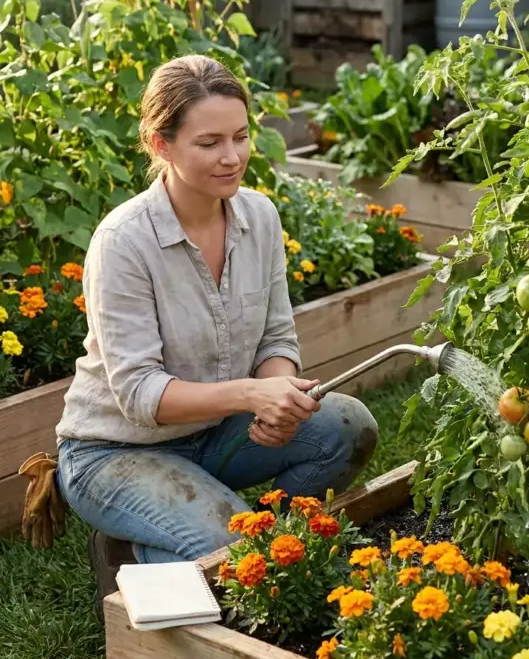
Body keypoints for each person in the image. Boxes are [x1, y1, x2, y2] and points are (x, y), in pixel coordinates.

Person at [55, 54, 378, 605]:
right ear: (161, 144)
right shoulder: (124, 242)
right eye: (209, 143)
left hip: (218, 433)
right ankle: (132, 549)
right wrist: (253, 394)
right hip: (115, 453)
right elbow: (139, 395)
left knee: (349, 426)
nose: (232, 158)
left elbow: (277, 338)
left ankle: (242, 534)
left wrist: (278, 399)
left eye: (241, 136)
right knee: (237, 553)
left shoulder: (260, 219)